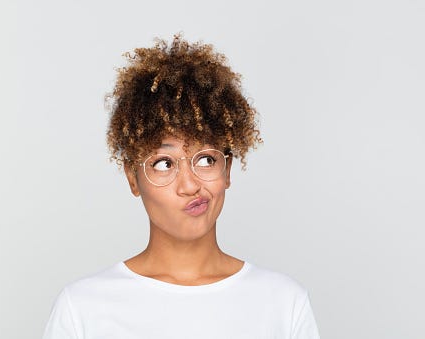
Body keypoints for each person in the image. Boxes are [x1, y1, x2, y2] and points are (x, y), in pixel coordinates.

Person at [42, 34, 320, 339]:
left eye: (205, 160)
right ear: (132, 178)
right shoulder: (83, 310)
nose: (189, 185)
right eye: (164, 163)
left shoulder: (283, 303)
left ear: (227, 169)